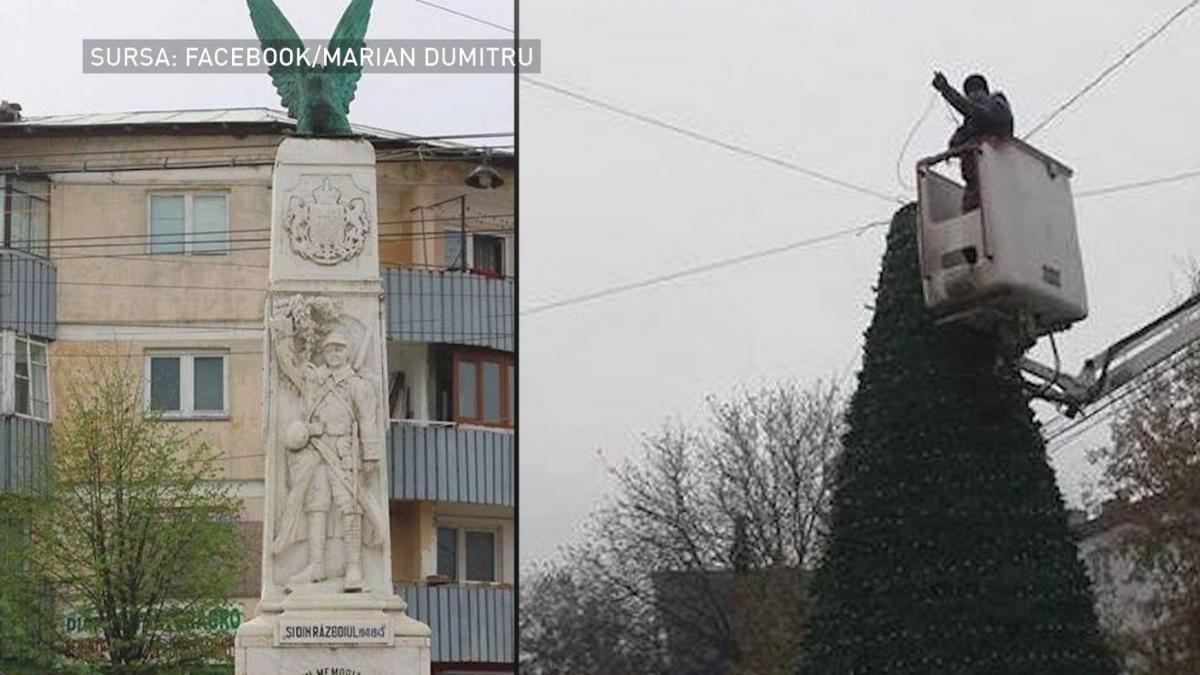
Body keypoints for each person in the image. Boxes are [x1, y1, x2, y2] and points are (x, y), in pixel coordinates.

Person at [271, 321, 387, 593]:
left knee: (349, 506)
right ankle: (316, 565)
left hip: (345, 451)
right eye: (330, 349)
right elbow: (291, 369)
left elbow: (367, 420)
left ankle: (354, 568)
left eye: (339, 348)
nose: (334, 353)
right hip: (317, 450)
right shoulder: (316, 380)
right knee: (316, 505)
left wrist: (370, 455)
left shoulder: (357, 384)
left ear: (348, 352)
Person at [932, 72, 1014, 212]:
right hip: (974, 185)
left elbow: (976, 112)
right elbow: (956, 142)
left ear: (984, 92)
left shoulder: (998, 106)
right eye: (969, 95)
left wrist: (946, 90)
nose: (972, 98)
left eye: (975, 93)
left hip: (997, 181)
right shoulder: (972, 121)